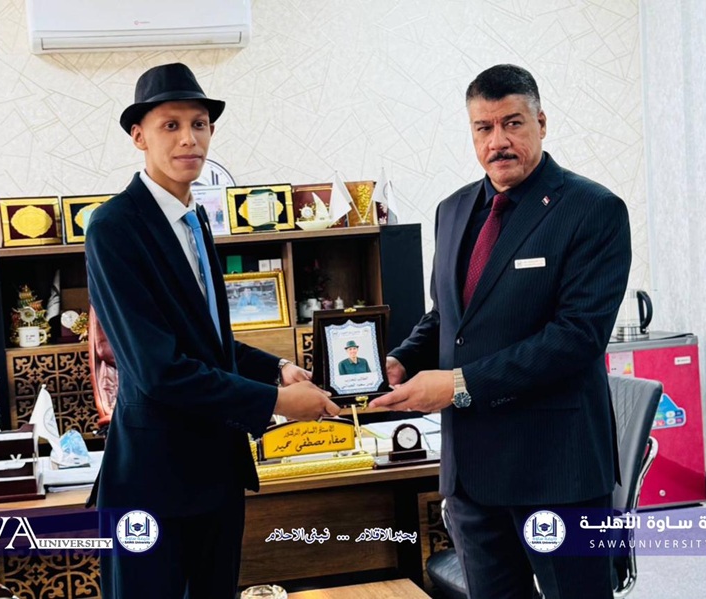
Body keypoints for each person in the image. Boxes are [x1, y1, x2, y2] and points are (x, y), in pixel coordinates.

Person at [371, 64, 631, 599]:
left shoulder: (593, 209)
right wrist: (403, 358)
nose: (498, 141)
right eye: (483, 128)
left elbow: (576, 337)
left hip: (557, 471)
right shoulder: (453, 210)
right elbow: (447, 316)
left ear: (541, 122)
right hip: (471, 476)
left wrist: (458, 384)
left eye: (512, 123)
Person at [85, 62, 340, 599]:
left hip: (217, 473)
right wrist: (277, 401)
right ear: (138, 136)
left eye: (199, 124)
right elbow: (158, 370)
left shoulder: (196, 219)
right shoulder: (114, 227)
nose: (189, 139)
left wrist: (276, 366)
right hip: (153, 482)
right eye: (170, 125)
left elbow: (207, 341)